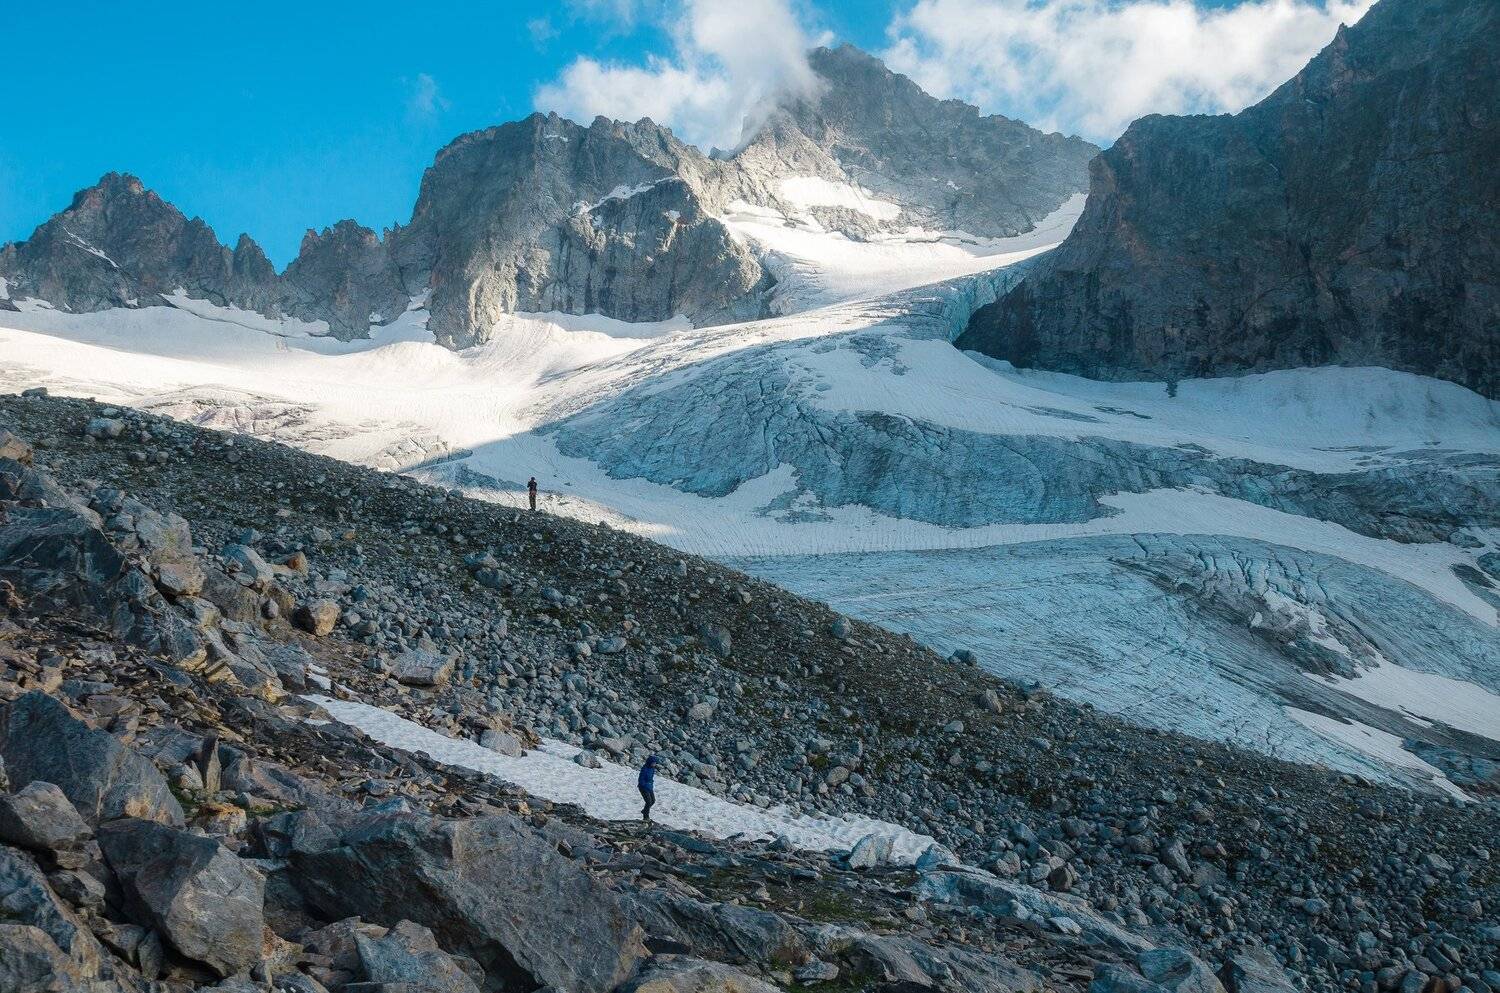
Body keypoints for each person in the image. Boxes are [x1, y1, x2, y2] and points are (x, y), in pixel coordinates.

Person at [638, 755, 658, 823]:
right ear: (650, 762)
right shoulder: (644, 769)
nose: (654, 764)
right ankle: (646, 817)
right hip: (643, 787)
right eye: (653, 763)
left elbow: (651, 778)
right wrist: (645, 785)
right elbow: (640, 779)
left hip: (649, 787)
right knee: (648, 802)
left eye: (655, 763)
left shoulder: (652, 769)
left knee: (653, 801)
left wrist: (651, 784)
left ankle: (644, 810)